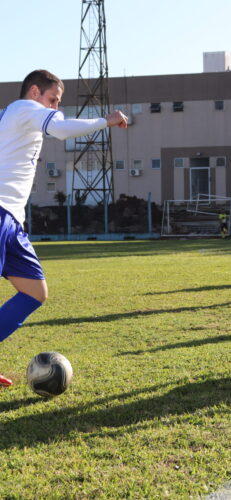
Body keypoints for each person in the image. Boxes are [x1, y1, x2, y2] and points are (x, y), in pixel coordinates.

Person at [0, 70, 128, 386]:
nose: (56, 108)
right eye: (53, 100)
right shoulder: (23, 108)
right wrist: (106, 121)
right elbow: (59, 128)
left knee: (34, 291)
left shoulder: (13, 117)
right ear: (34, 92)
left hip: (13, 222)